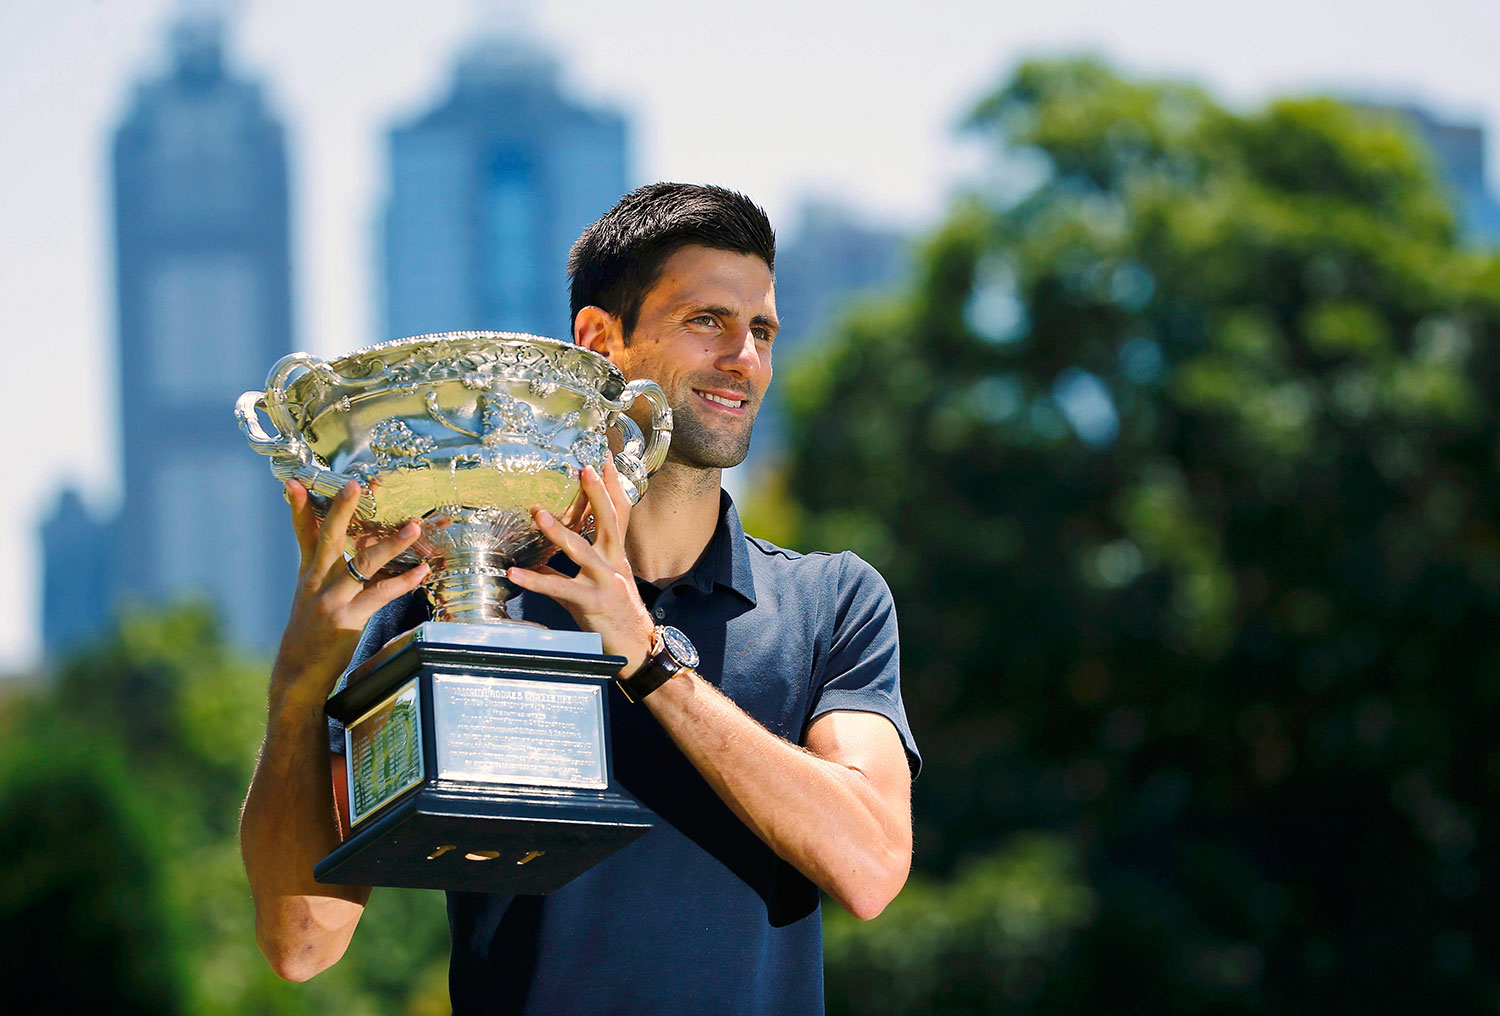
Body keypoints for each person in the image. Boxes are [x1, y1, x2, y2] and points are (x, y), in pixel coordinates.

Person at [239, 182, 920, 1015]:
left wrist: (646, 656)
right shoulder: (459, 592)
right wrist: (301, 682)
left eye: (763, 331)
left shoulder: (831, 600)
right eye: (707, 320)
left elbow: (873, 865)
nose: (744, 355)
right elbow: (302, 944)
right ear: (602, 340)